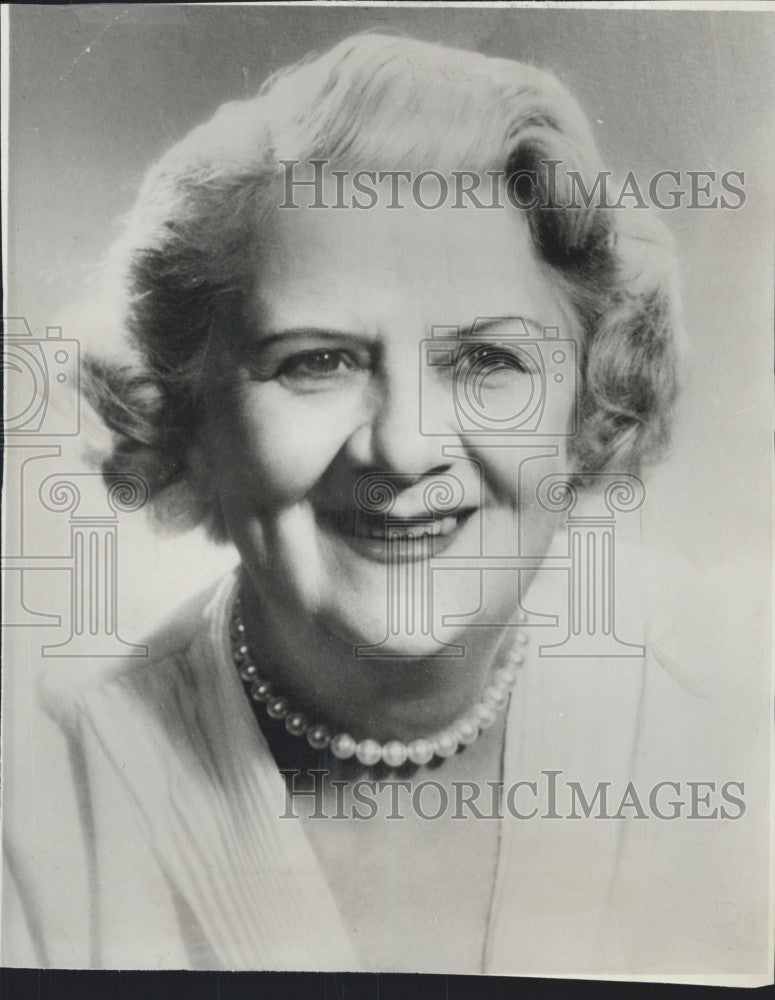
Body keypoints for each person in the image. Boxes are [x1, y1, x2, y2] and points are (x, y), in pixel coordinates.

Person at [2, 33, 757, 975]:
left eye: (487, 361)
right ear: (188, 415)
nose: (403, 446)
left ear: (588, 404)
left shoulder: (738, 716)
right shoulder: (36, 808)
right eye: (316, 361)